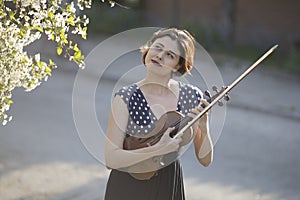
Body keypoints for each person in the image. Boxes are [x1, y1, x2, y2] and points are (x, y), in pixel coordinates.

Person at [104, 28, 214, 200]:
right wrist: (157, 149)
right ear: (148, 50)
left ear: (178, 65)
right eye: (158, 48)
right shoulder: (125, 97)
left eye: (170, 55)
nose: (160, 56)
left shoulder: (192, 97)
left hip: (167, 184)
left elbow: (205, 160)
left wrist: (204, 128)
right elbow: (111, 159)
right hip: (128, 186)